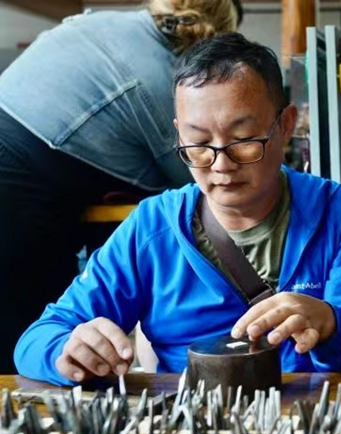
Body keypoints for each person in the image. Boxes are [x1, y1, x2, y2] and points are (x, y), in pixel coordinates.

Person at [14, 33, 341, 385]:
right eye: (197, 144)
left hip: (309, 416)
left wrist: (331, 326)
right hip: (191, 419)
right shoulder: (152, 227)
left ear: (286, 125)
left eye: (243, 140)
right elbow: (36, 340)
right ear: (179, 134)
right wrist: (66, 352)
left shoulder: (334, 211)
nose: (221, 165)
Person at [0, 0, 244, 374]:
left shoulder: (108, 22)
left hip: (31, 176)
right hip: (18, 186)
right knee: (29, 342)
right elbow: (201, 177)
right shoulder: (161, 78)